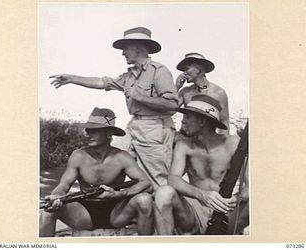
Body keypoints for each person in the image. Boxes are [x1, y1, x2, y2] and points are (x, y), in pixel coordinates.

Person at [50, 27, 179, 189]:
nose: (123, 53)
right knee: (110, 157)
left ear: (138, 47)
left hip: (155, 128)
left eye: (125, 48)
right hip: (134, 125)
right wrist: (71, 78)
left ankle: (156, 209)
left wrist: (140, 97)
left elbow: (172, 105)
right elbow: (103, 82)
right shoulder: (130, 75)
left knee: (155, 181)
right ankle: (107, 202)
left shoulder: (159, 72)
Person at [39, 108, 153, 237]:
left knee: (145, 200)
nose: (88, 134)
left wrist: (119, 194)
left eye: (94, 131)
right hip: (84, 213)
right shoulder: (78, 156)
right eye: (88, 130)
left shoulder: (122, 157)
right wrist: (56, 197)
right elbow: (64, 186)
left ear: (109, 133)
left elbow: (146, 183)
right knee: (48, 211)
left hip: (116, 213)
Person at [154, 95, 239, 235]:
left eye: (187, 117)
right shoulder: (184, 145)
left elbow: (251, 185)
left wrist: (235, 199)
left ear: (201, 121)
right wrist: (203, 195)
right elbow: (173, 179)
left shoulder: (233, 143)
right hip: (196, 209)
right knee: (163, 193)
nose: (183, 121)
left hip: (228, 210)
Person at [175, 52, 230, 135]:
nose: (184, 73)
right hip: (185, 139)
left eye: (187, 69)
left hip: (207, 142)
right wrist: (176, 87)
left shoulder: (218, 93)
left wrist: (223, 145)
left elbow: (224, 121)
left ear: (198, 69)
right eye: (183, 70)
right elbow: (168, 111)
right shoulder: (185, 91)